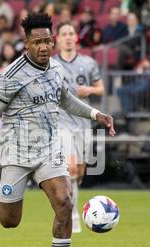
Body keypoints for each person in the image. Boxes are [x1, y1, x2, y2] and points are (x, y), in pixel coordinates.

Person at [0, 12, 115, 247]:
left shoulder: (56, 69)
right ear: (26, 44)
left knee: (65, 202)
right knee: (10, 222)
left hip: (48, 149)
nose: (44, 47)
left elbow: (66, 100)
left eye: (48, 41)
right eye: (38, 42)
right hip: (16, 152)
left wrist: (96, 114)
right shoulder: (11, 75)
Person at [54, 22, 105, 233]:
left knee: (80, 171)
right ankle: (72, 218)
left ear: (76, 38)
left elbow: (101, 89)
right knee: (71, 168)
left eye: (71, 33)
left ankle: (72, 201)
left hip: (83, 123)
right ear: (57, 39)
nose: (67, 37)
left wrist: (90, 89)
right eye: (63, 34)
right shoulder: (51, 64)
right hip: (61, 122)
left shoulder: (88, 63)